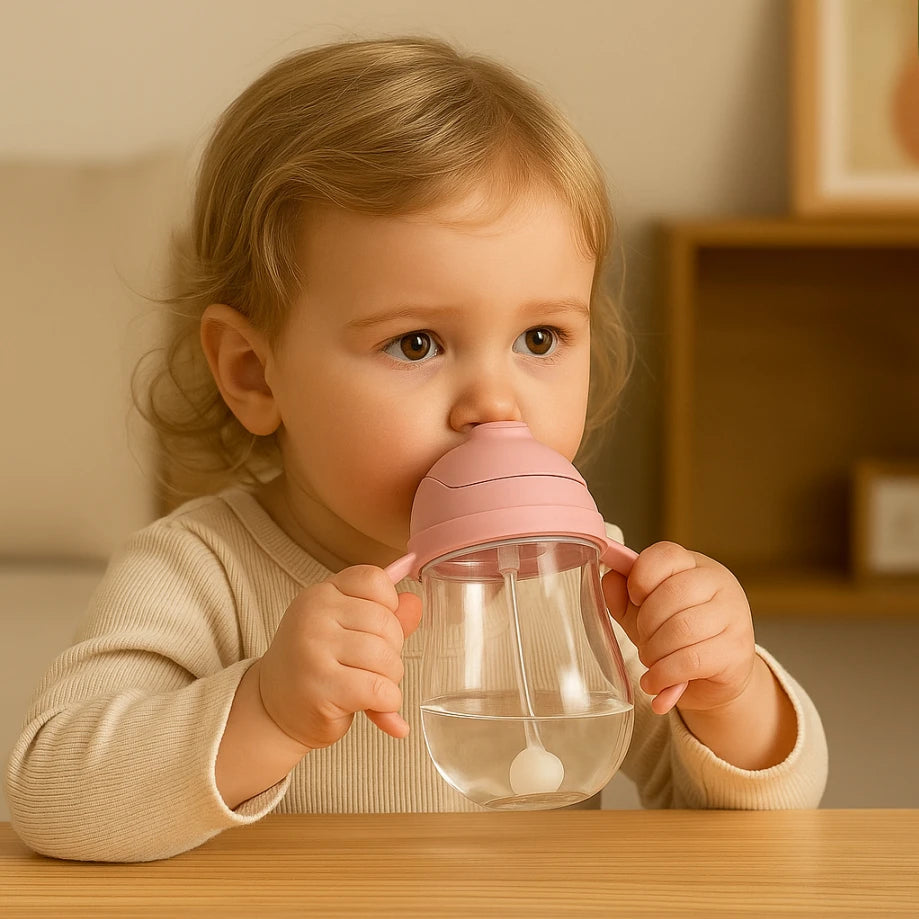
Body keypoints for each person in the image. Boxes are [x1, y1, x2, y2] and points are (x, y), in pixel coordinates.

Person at [4, 36, 827, 863]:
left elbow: (771, 818)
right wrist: (263, 708)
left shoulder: (580, 578)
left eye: (539, 337)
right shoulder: (196, 573)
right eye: (417, 344)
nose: (494, 402)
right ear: (255, 373)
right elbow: (50, 795)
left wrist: (728, 695)